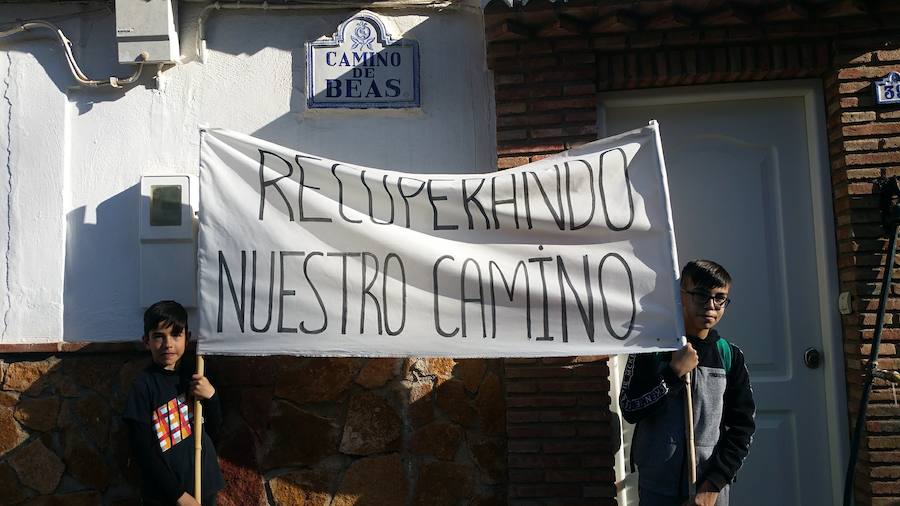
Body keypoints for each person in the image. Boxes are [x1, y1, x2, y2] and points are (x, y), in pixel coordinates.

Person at [619, 260, 755, 506]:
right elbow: (630, 408)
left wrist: (713, 485)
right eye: (701, 295)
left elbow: (742, 428)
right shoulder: (651, 349)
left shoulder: (729, 355)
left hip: (708, 493)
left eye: (720, 298)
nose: (711, 305)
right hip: (658, 488)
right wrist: (673, 373)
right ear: (680, 295)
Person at [123, 300, 225, 506]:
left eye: (176, 334)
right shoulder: (143, 386)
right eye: (159, 336)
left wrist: (212, 397)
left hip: (204, 486)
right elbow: (142, 450)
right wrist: (179, 496)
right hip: (165, 496)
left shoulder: (198, 375)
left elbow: (214, 429)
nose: (168, 343)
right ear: (146, 341)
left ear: (187, 337)